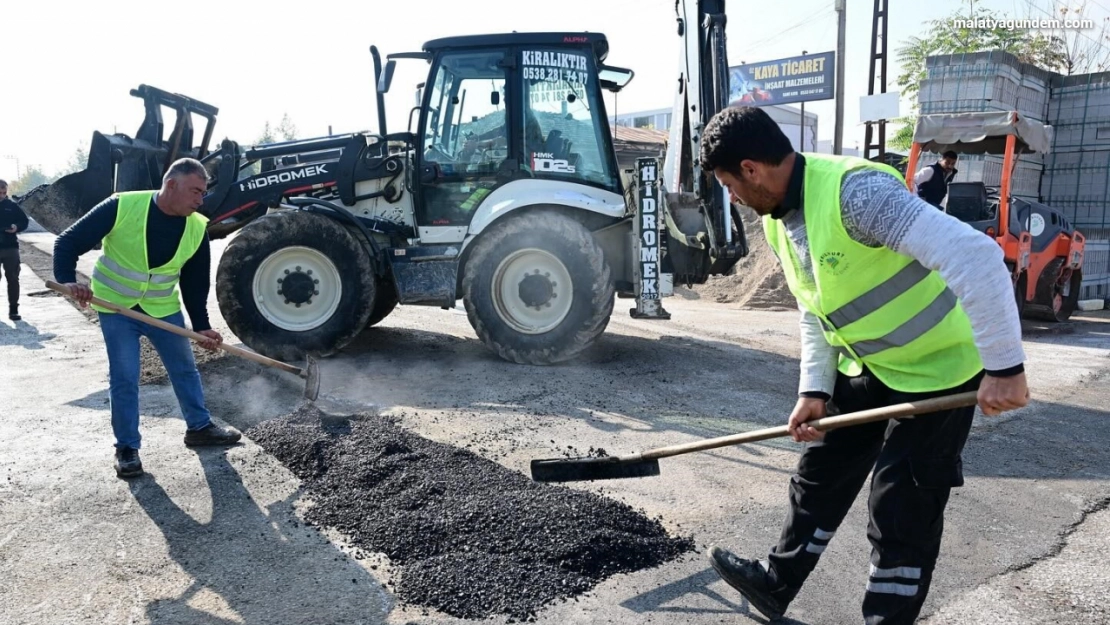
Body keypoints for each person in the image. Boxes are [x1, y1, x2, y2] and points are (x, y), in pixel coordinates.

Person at [698, 107, 1029, 625]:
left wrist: (1005, 367)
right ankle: (776, 584)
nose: (733, 198)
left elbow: (978, 258)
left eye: (729, 184)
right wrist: (814, 389)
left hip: (942, 368)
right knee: (820, 474)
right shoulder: (782, 219)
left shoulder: (856, 195)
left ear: (751, 168)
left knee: (901, 507)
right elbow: (816, 306)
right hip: (872, 363)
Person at [54, 158, 241, 479]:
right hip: (116, 307)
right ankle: (126, 448)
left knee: (184, 369)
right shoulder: (122, 206)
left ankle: (199, 427)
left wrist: (202, 327)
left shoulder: (197, 226)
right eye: (195, 191)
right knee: (125, 376)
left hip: (161, 308)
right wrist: (67, 280)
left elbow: (195, 284)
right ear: (172, 185)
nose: (201, 199)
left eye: (203, 192)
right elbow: (67, 241)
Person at [0, 179, 30, 321]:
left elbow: (24, 221)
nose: (1, 195)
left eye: (4, 193)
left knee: (13, 278)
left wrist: (16, 227)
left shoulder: (12, 206)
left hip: (10, 247)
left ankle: (13, 310)